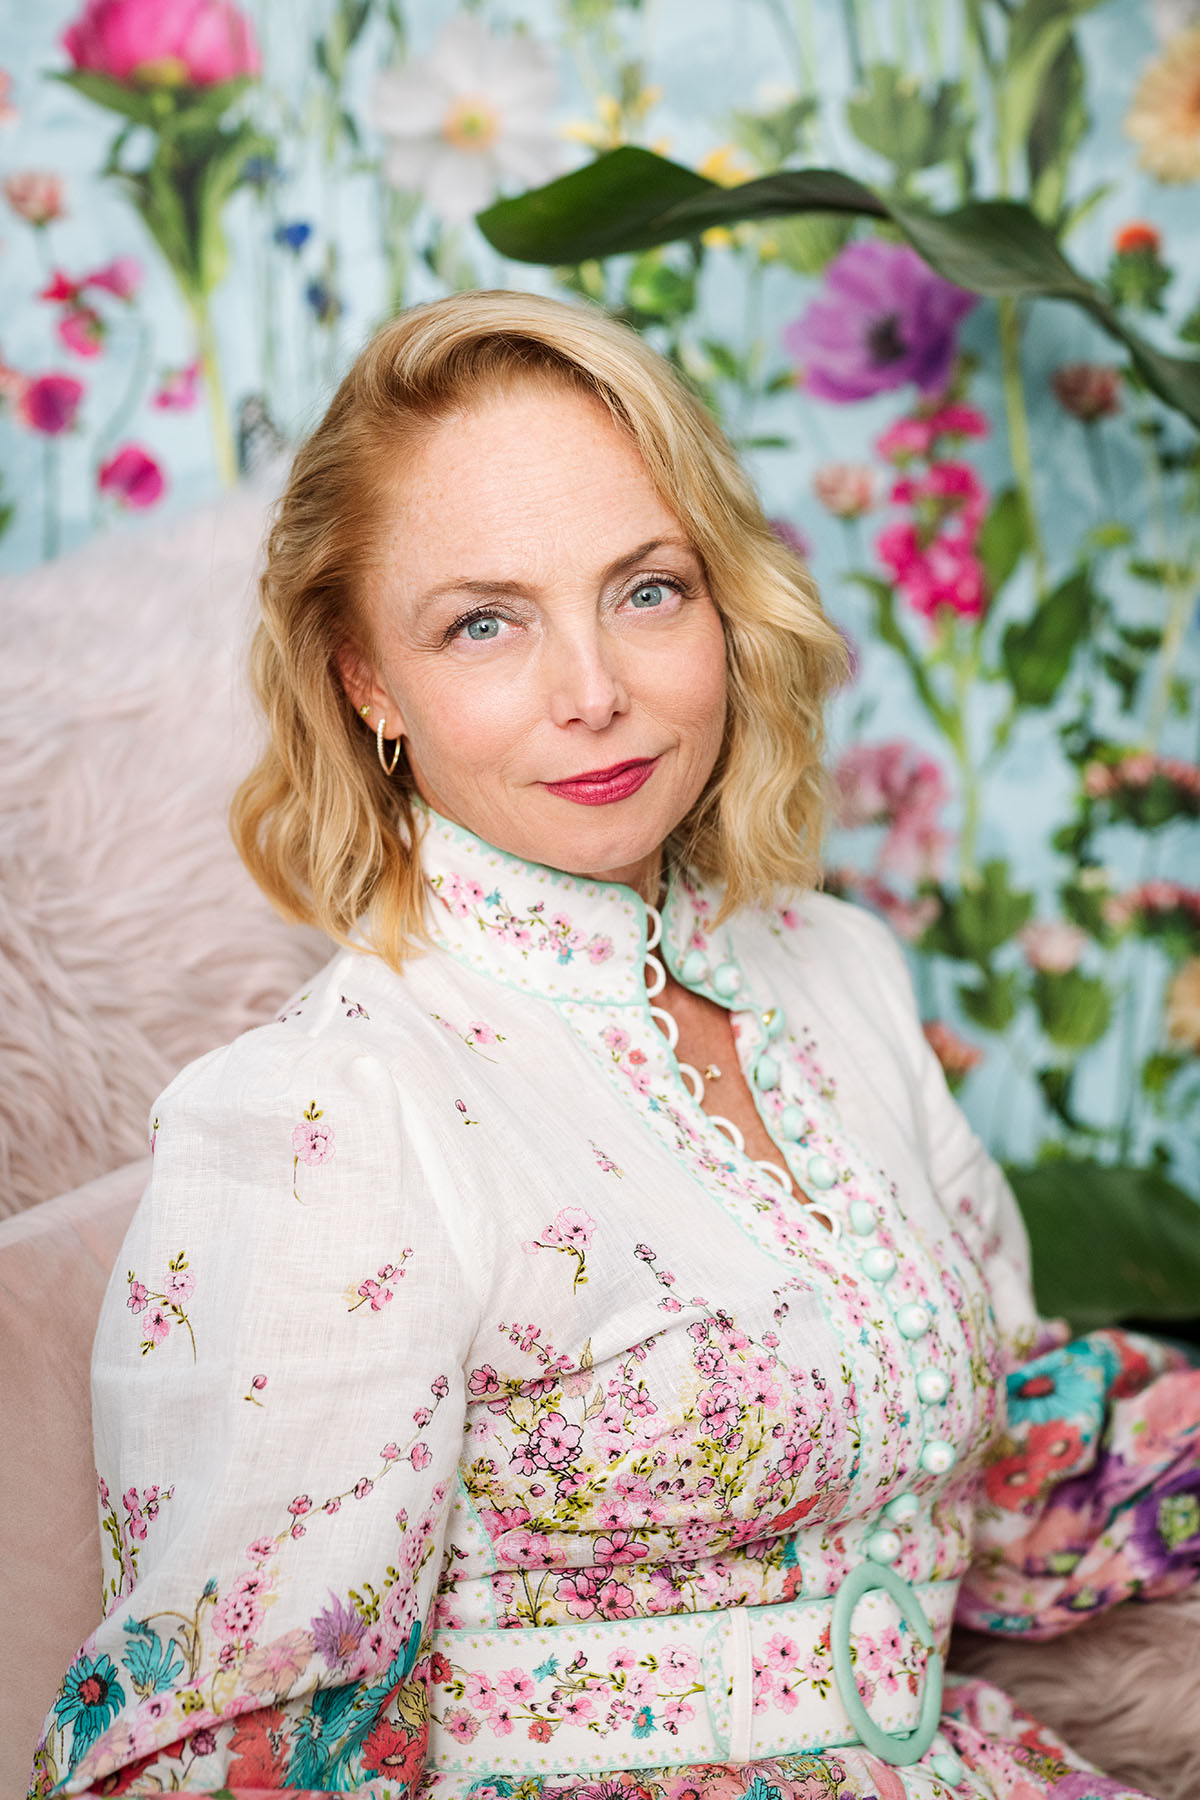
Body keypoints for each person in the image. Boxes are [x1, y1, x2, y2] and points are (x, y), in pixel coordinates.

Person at [31, 290, 1200, 1800]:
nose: (594, 692)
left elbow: (1000, 1453)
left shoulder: (834, 973)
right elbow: (229, 1738)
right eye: (484, 622)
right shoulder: (327, 1112)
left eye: (646, 591)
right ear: (365, 679)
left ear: (724, 600)